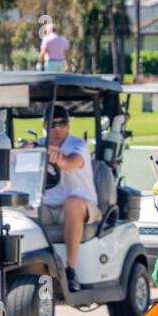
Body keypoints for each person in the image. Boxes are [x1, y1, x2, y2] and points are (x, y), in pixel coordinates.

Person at [40, 105, 100, 293]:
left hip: (84, 207)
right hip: (49, 206)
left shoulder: (77, 145)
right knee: (19, 210)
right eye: (52, 124)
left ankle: (70, 269)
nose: (57, 128)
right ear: (44, 125)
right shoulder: (39, 145)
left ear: (68, 126)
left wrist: (58, 159)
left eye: (62, 123)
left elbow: (71, 162)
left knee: (72, 203)